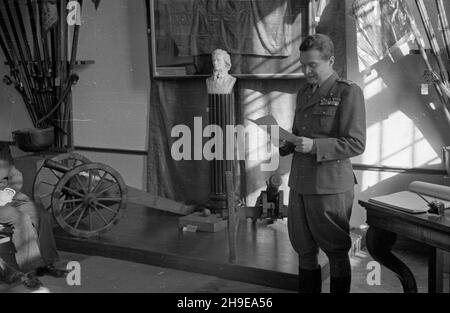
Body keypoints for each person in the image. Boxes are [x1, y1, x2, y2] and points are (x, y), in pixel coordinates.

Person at [280, 34, 366, 293]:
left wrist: (315, 146)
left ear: (330, 60)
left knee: (336, 252)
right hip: (300, 184)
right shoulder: (304, 92)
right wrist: (284, 141)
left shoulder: (348, 92)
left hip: (330, 187)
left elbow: (355, 143)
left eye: (313, 65)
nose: (306, 71)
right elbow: (300, 133)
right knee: (304, 250)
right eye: (302, 64)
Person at [0, 143, 66, 286]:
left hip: (12, 196)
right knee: (21, 220)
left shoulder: (2, 150)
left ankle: (46, 264)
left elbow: (15, 176)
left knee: (43, 216)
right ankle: (28, 272)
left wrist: (9, 192)